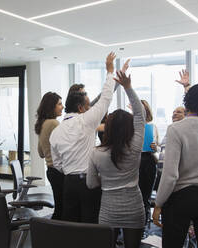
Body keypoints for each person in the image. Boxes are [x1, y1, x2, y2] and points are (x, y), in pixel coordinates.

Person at [50, 52, 123, 223]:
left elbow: (57, 163)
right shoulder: (86, 121)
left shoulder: (56, 131)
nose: (91, 107)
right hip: (88, 183)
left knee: (71, 225)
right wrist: (110, 71)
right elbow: (105, 98)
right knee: (91, 224)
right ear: (81, 108)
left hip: (68, 183)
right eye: (89, 105)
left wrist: (70, 169)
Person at [152, 82, 198, 248]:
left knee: (173, 243)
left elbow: (170, 175)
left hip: (181, 196)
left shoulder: (176, 129)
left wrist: (159, 203)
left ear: (188, 101)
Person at [87, 70, 145, 247]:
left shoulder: (96, 153)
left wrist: (105, 178)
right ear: (130, 128)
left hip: (108, 209)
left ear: (108, 128)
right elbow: (140, 115)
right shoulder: (135, 147)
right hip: (134, 206)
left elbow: (91, 184)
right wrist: (128, 87)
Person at [35, 92, 64, 220]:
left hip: (51, 171)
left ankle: (53, 233)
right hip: (59, 171)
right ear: (51, 106)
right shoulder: (54, 124)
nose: (62, 107)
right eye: (59, 104)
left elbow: (41, 153)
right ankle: (55, 234)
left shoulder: (43, 124)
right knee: (63, 208)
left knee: (60, 207)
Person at [137, 98, 159, 231]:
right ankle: (135, 227)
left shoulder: (153, 127)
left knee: (145, 196)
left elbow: (157, 148)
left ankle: (143, 228)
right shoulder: (130, 125)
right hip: (135, 161)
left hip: (149, 160)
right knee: (135, 196)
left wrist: (154, 147)